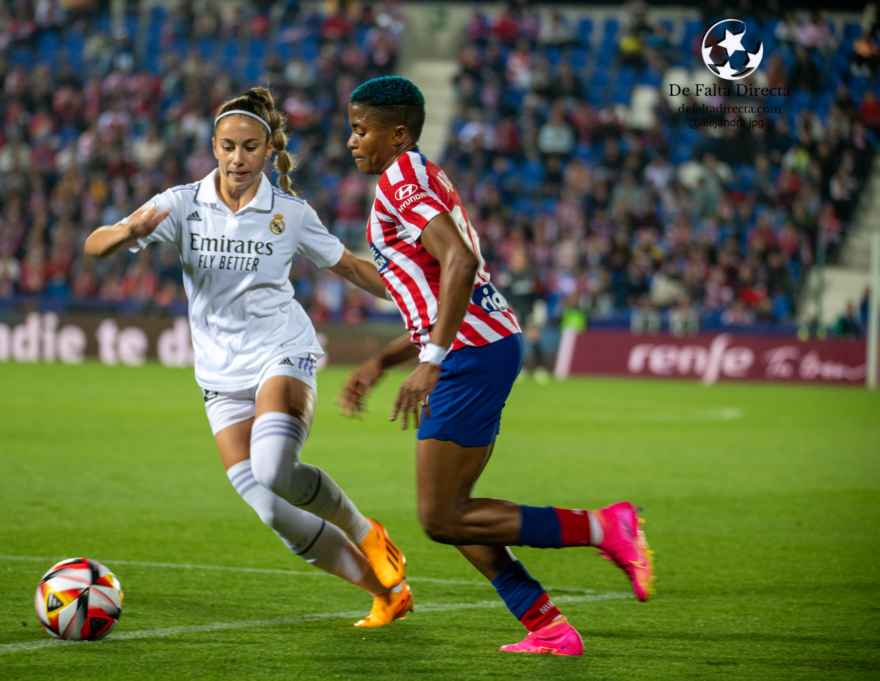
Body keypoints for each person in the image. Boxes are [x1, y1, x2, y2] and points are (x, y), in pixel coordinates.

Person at [339, 76, 654, 656]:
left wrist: (432, 360)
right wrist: (383, 361)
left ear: (398, 133)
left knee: (443, 516)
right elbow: (428, 291)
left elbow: (459, 262)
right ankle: (548, 626)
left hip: (468, 354)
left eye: (361, 129)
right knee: (457, 513)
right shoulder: (422, 176)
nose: (352, 140)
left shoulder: (401, 180)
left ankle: (606, 527)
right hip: (483, 344)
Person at [83, 88, 412, 627]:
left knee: (273, 467)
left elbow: (352, 268)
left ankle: (366, 531)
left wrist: (422, 295)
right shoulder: (181, 203)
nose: (238, 158)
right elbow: (94, 246)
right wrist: (126, 233)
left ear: (268, 150)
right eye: (228, 147)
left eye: (250, 147)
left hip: (281, 350)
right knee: (271, 509)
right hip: (219, 373)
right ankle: (386, 592)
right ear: (214, 147)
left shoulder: (290, 213)